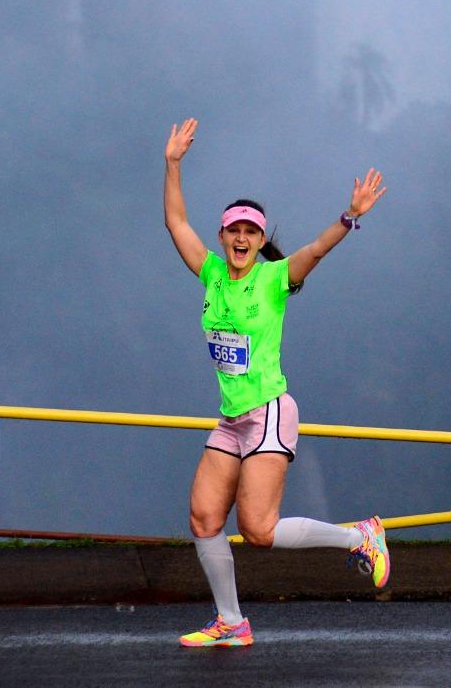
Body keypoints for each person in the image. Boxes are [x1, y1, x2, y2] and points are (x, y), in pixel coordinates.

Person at [163, 116, 392, 648]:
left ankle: (360, 536)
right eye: (234, 231)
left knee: (259, 530)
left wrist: (349, 217)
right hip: (231, 418)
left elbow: (316, 249)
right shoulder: (211, 273)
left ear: (261, 239)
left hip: (268, 412)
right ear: (222, 237)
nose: (242, 238)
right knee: (203, 517)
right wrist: (172, 164)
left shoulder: (273, 279)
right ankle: (231, 623)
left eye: (251, 232)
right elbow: (176, 222)